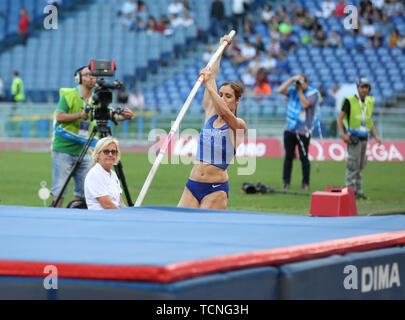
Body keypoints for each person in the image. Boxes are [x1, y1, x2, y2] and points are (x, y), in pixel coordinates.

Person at [178, 35, 247, 210]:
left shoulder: (238, 124)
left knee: (204, 231)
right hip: (192, 184)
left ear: (237, 101)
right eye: (221, 94)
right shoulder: (211, 115)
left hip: (215, 189)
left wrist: (209, 86)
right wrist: (220, 47)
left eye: (228, 96)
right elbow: (213, 74)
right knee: (178, 224)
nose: (223, 98)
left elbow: (224, 110)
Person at [51, 66, 133, 208]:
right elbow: (59, 117)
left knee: (83, 191)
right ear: (78, 78)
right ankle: (54, 219)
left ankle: (77, 215)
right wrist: (79, 115)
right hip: (63, 149)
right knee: (59, 190)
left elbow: (109, 114)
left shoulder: (97, 98)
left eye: (93, 75)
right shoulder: (69, 95)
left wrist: (124, 116)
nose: (91, 77)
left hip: (86, 149)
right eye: (87, 75)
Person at [337, 77, 382, 200]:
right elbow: (340, 118)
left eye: (366, 87)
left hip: (364, 138)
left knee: (360, 166)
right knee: (353, 166)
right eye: (362, 87)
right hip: (353, 138)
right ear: (357, 88)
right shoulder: (349, 101)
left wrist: (376, 136)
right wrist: (342, 134)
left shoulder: (369, 102)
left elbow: (368, 120)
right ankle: (350, 193)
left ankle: (358, 191)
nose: (364, 89)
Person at [277, 74, 320, 190]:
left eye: (301, 82)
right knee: (288, 157)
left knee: (304, 157)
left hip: (303, 131)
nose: (299, 84)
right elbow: (279, 90)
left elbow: (305, 104)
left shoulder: (313, 94)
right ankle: (286, 182)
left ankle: (305, 182)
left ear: (306, 83)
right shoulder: (292, 91)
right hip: (290, 129)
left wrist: (300, 91)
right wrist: (291, 79)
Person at [84, 137, 127, 210]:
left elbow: (120, 202)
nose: (110, 154)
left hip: (114, 214)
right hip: (103, 217)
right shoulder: (96, 174)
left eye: (113, 152)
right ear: (98, 154)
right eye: (106, 151)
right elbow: (107, 205)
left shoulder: (113, 174)